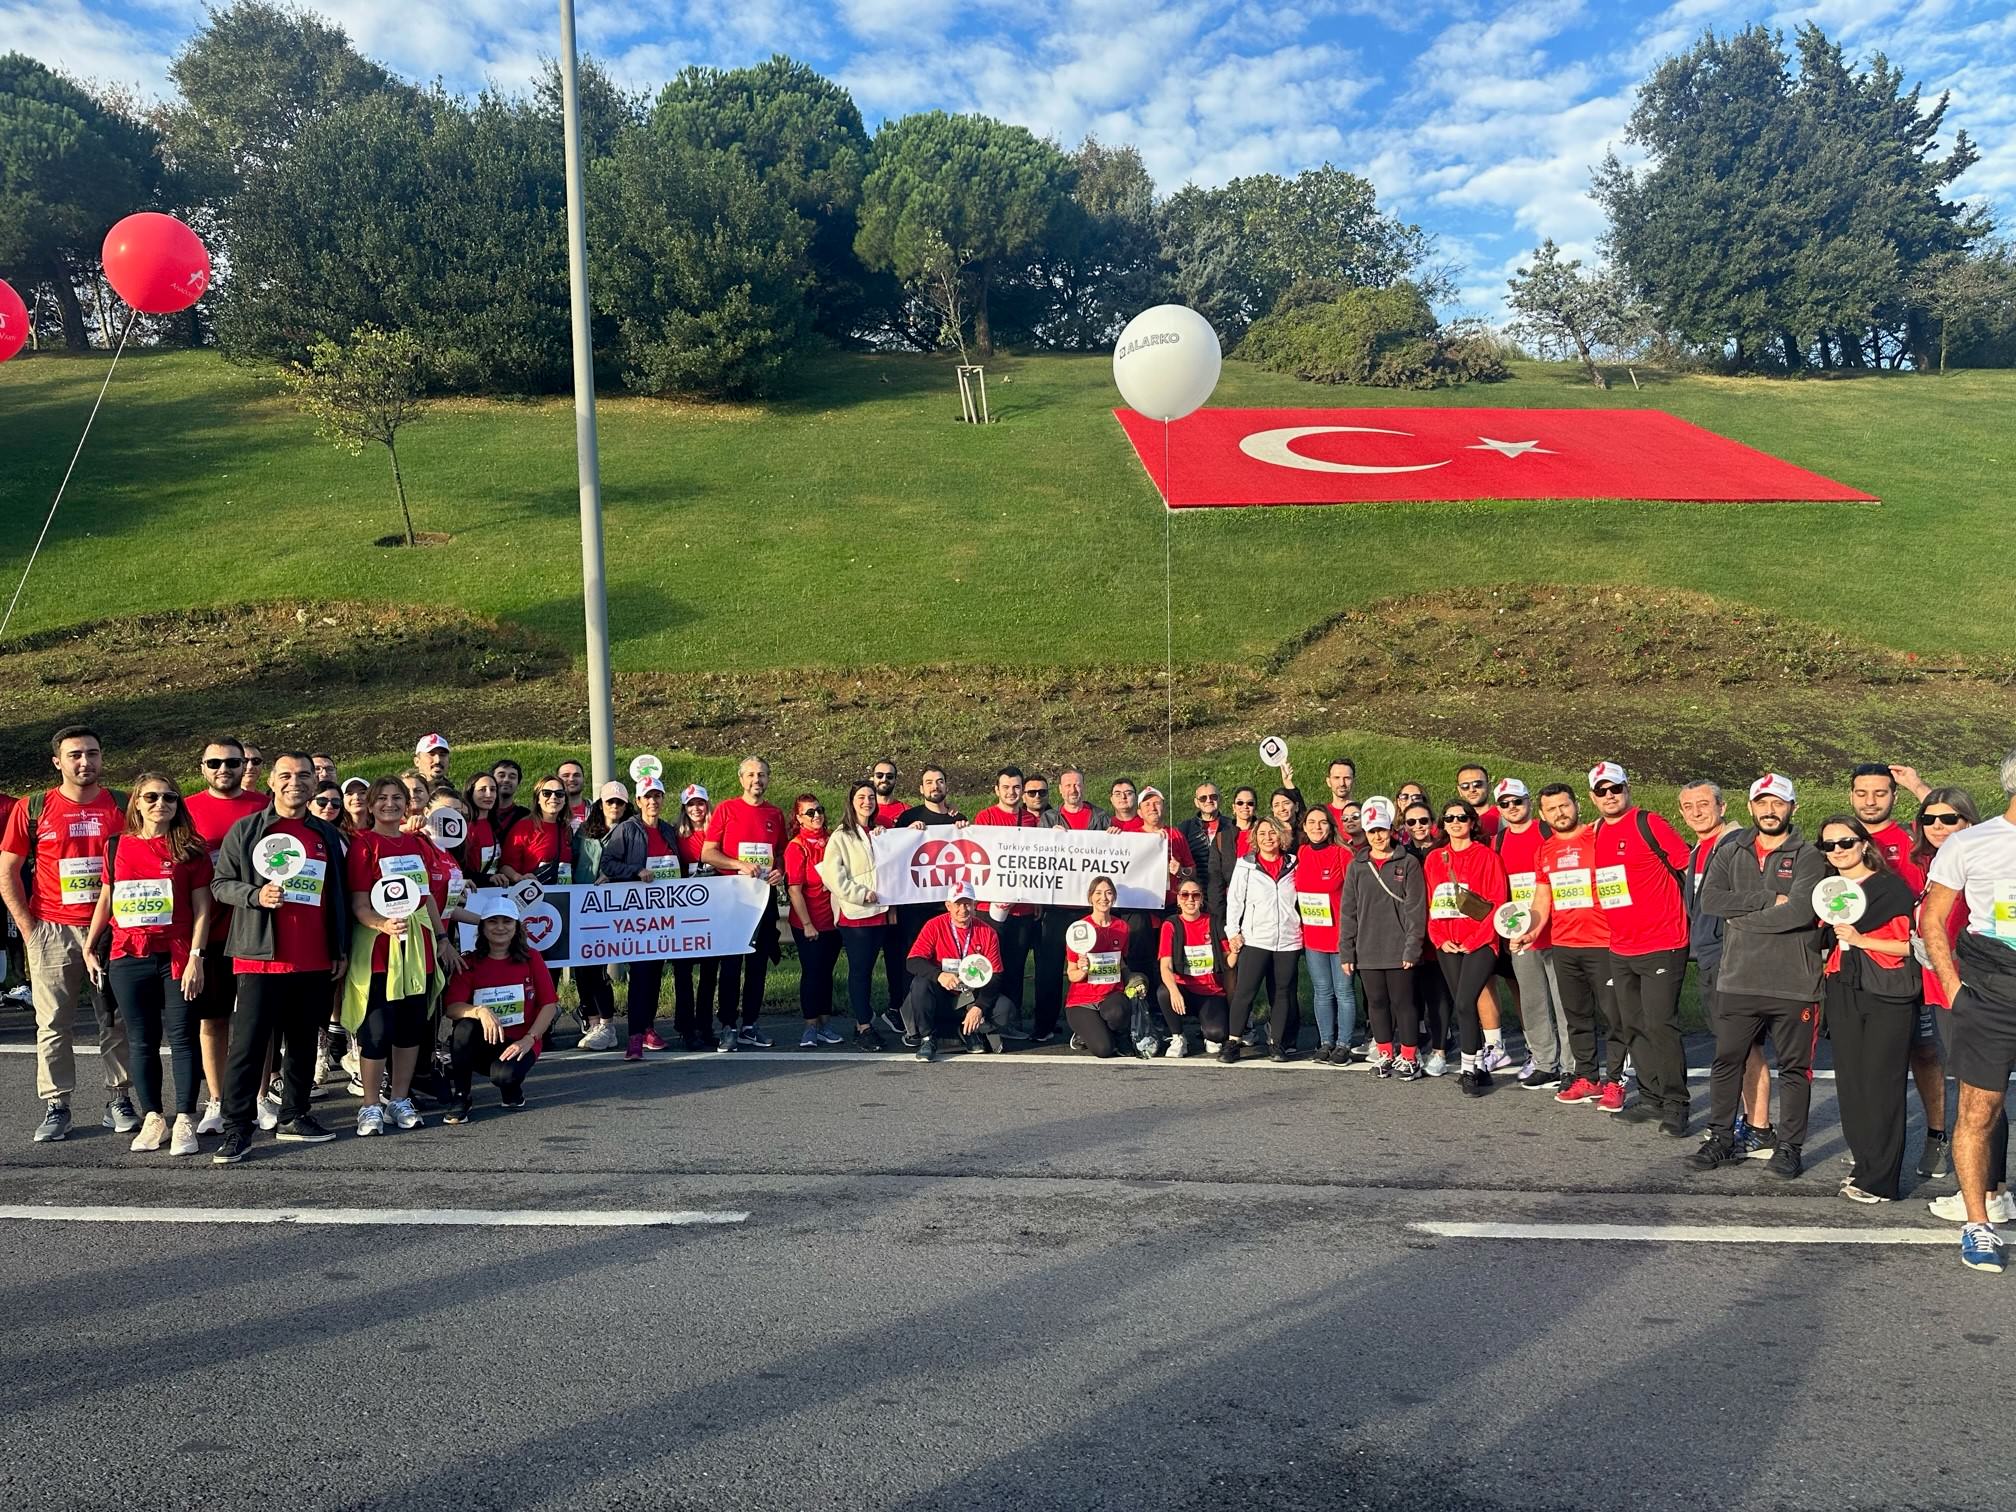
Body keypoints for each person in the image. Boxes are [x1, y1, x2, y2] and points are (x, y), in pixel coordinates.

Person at [208, 752, 348, 1163]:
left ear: (314, 782)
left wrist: (339, 948)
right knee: (248, 1047)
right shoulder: (247, 829)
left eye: (303, 775)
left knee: (302, 1043)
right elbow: (220, 884)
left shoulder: (326, 834)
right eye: (285, 775)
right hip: (259, 957)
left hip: (314, 958)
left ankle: (294, 1115)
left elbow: (337, 895)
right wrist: (255, 895)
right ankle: (237, 1128)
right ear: (271, 781)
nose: (295, 782)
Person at [0, 725, 135, 1143]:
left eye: (92, 753)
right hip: (53, 929)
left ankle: (119, 1099)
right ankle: (57, 1104)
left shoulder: (123, 804)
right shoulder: (33, 807)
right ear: (57, 761)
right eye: (75, 755)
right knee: (53, 1022)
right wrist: (29, 929)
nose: (85, 762)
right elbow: (7, 872)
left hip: (112, 929)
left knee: (114, 1019)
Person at [1689, 774, 1826, 1180]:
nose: (1770, 810)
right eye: (1762, 802)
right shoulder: (1730, 849)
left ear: (1793, 807)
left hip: (1793, 983)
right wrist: (1767, 900)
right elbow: (1711, 900)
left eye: (1778, 803)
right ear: (1750, 807)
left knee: (1795, 1069)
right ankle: (1721, 1138)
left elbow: (1800, 911)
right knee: (1727, 1061)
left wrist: (1742, 918)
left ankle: (1789, 1147)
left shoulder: (1808, 856)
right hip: (1738, 979)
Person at [1919, 747, 2016, 1273]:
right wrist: (1952, 986)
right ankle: (1978, 1224)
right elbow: (1932, 918)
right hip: (1991, 992)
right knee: (1980, 1111)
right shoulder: (1969, 842)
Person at [83, 774, 213, 1155]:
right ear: (137, 802)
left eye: (170, 797)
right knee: (142, 1040)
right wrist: (90, 944)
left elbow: (203, 909)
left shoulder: (190, 848)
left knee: (183, 1037)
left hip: (177, 956)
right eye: (152, 797)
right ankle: (153, 1116)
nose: (161, 804)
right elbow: (106, 898)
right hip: (128, 956)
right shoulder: (116, 846)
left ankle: (185, 1117)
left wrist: (197, 957)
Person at [1811, 814, 1923, 1203]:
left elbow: (1912, 945)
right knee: (1852, 1082)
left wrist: (1861, 940)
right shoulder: (1825, 892)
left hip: (1887, 993)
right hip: (1843, 987)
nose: (1838, 850)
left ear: (1863, 844)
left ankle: (1881, 1180)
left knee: (1882, 1084)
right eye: (1829, 845)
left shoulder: (1891, 888)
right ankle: (1865, 1162)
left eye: (1846, 842)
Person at [342, 776, 457, 1135]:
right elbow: (359, 904)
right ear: (371, 805)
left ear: (407, 805)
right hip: (379, 948)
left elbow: (426, 898)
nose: (389, 804)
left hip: (418, 946)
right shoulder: (363, 844)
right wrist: (382, 925)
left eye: (397, 798)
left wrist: (441, 937)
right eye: (382, 798)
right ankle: (370, 1105)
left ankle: (400, 1099)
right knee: (377, 1031)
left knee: (410, 1029)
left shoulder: (417, 844)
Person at [1589, 761, 1694, 1136]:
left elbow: (1689, 867)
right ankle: (1651, 1096)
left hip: (1664, 942)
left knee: (1660, 1023)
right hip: (1621, 946)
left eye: (1615, 788)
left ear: (1627, 789)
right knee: (1632, 1024)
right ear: (1593, 797)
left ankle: (1677, 1103)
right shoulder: (1597, 831)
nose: (1609, 796)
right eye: (1601, 791)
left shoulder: (1649, 823)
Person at [1512, 785, 1628, 1110]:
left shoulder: (1597, 837)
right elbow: (1542, 898)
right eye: (1552, 809)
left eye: (1564, 806)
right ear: (1542, 814)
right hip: (1564, 944)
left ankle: (1616, 1080)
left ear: (1576, 805)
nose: (1559, 813)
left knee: (1615, 1016)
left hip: (1603, 942)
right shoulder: (1544, 851)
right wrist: (1530, 931)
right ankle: (1587, 1077)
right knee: (1576, 1017)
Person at [1850, 760, 1943, 1157]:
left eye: (1880, 793)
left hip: (1909, 962)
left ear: (1893, 796)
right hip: (1857, 966)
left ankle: (1936, 1136)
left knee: (1924, 1052)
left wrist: (1917, 785)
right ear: (1851, 795)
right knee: (1867, 1060)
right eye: (1862, 793)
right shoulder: (1841, 839)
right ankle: (1871, 1144)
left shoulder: (1911, 837)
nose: (1870, 801)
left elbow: (1953, 823)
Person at [1677, 779, 1772, 1151]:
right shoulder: (1700, 850)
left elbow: (1755, 899)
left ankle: (1758, 1127)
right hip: (1711, 957)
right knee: (1733, 1046)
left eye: (1704, 804)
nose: (1697, 812)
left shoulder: (1738, 845)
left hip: (1733, 957)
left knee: (1743, 1047)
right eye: (1689, 806)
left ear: (1722, 806)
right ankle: (1748, 1122)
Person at [183, 736, 271, 1134]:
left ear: (244, 766)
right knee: (213, 1020)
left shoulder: (264, 806)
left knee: (258, 1022)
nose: (224, 770)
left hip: (257, 929)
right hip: (211, 930)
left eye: (233, 763)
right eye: (215, 763)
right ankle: (217, 1100)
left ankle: (259, 1097)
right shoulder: (186, 809)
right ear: (202, 768)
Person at [441, 893, 558, 1123]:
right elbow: (452, 1007)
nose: (500, 928)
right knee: (464, 1027)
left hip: (521, 1041)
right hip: (484, 1042)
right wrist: (479, 1011)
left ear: (516, 927)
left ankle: (512, 1089)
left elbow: (549, 1004)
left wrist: (530, 1039)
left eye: (507, 922)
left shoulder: (532, 958)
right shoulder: (470, 962)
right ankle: (462, 1097)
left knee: (504, 1077)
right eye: (493, 922)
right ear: (483, 927)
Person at [1338, 797, 1427, 1079]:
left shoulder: (1408, 863)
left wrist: (1412, 947)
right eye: (1372, 831)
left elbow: (1416, 908)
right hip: (1368, 948)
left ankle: (1410, 1056)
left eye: (1382, 830)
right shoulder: (1357, 866)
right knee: (1376, 1003)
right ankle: (1386, 1052)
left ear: (1391, 830)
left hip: (1399, 947)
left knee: (1404, 1003)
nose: (1377, 836)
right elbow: (1348, 910)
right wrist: (1346, 950)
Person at [1427, 798, 1511, 1095]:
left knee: (1465, 1002)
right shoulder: (1434, 859)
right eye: (1449, 818)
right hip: (1448, 943)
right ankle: (1479, 1069)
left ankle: (1468, 1070)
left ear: (1472, 822)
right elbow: (1432, 904)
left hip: (1481, 942)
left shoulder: (1487, 857)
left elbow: (1497, 903)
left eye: (1461, 817)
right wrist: (1440, 938)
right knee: (1464, 1005)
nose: (1455, 822)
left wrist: (1474, 941)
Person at [702, 756, 787, 1049]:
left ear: (768, 779)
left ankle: (750, 1024)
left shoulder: (775, 814)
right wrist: (738, 864)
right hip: (732, 900)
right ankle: (727, 1025)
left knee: (757, 965)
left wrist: (780, 870)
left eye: (761, 774)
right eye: (750, 775)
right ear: (741, 779)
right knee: (731, 965)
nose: (756, 780)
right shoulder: (727, 809)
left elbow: (780, 854)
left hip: (763, 900)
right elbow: (708, 853)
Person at [1494, 778, 1569, 1090]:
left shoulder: (1546, 831)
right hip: (1521, 935)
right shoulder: (1498, 841)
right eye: (1505, 803)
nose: (1512, 807)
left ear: (1528, 802)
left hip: (1558, 931)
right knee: (1532, 1003)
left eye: (1518, 801)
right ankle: (1544, 1063)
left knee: (1565, 1004)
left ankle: (1571, 1066)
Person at [599, 777, 680, 1060]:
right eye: (647, 797)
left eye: (657, 796)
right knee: (641, 974)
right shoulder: (627, 829)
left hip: (665, 915)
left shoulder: (668, 831)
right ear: (638, 801)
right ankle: (634, 1036)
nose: (653, 801)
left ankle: (648, 1028)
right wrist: (636, 871)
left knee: (655, 973)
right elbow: (608, 864)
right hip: (637, 916)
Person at [888, 765, 965, 1039]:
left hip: (949, 909)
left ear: (947, 786)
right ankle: (912, 1023)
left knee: (950, 962)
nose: (935, 786)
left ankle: (949, 1017)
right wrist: (906, 833)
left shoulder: (958, 820)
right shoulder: (909, 818)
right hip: (915, 908)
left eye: (940, 781)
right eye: (929, 782)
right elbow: (892, 856)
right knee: (913, 962)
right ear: (921, 788)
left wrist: (965, 830)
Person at [1035, 767, 1109, 1043]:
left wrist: (1114, 835)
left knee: (1090, 966)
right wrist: (1048, 839)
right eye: (1067, 785)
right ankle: (1044, 1025)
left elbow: (1114, 854)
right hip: (1057, 908)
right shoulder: (1048, 819)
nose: (1073, 790)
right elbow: (1037, 857)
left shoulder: (1100, 817)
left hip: (1089, 909)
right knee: (1050, 968)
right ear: (1060, 790)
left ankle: (1089, 1021)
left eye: (1077, 785)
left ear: (1084, 787)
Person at [903, 880, 1011, 1062]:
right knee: (920, 984)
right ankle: (927, 1038)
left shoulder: (988, 932)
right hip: (941, 992)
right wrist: (939, 975)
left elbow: (995, 975)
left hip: (971, 995)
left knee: (1004, 1009)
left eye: (967, 904)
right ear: (948, 906)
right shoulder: (934, 925)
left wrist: (979, 1007)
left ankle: (967, 1030)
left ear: (974, 904)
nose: (963, 909)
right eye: (958, 904)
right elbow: (913, 961)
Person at [1223, 818, 1303, 1062]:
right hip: (1256, 938)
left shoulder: (1294, 863)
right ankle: (1233, 1041)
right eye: (1262, 834)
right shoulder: (1245, 865)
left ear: (1281, 836)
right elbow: (1235, 901)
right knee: (1245, 992)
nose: (1268, 838)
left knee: (1282, 993)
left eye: (1272, 833)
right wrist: (1233, 932)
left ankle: (1276, 1043)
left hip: (1288, 940)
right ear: (1255, 839)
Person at [820, 780, 890, 1051]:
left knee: (869, 971)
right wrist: (861, 894)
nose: (867, 802)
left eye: (871, 797)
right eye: (861, 797)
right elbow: (833, 877)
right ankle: (863, 1026)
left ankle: (864, 1019)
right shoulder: (841, 836)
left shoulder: (880, 832)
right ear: (851, 801)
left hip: (880, 913)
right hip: (856, 914)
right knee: (859, 972)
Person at [972, 767, 1040, 1022]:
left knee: (1016, 964)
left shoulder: (1033, 820)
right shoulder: (985, 817)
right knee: (987, 964)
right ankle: (980, 1014)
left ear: (1022, 791)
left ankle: (1010, 1019)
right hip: (988, 907)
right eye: (1006, 787)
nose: (1011, 792)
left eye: (1016, 787)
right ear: (997, 790)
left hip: (1022, 907)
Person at [569, 782, 631, 1051]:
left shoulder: (631, 831)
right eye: (610, 801)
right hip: (582, 907)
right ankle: (593, 1022)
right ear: (600, 804)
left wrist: (615, 875)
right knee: (581, 968)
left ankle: (607, 1024)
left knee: (597, 968)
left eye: (620, 802)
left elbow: (636, 865)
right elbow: (572, 861)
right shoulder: (584, 833)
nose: (614, 806)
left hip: (614, 910)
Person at [784, 792, 845, 1050]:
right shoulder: (797, 847)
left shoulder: (832, 840)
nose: (817, 815)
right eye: (810, 812)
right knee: (812, 973)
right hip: (808, 921)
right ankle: (810, 1026)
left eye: (819, 810)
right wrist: (808, 924)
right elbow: (794, 890)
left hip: (833, 919)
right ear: (799, 818)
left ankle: (825, 1024)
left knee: (826, 973)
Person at [1295, 805, 1355, 1063]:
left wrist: (1351, 935)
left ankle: (1343, 1044)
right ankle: (1326, 1042)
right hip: (1313, 936)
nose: (1317, 827)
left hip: (1340, 936)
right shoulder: (1302, 852)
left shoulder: (1342, 854)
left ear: (1331, 827)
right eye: (1311, 822)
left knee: (1343, 992)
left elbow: (1354, 897)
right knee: (1322, 991)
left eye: (1322, 822)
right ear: (1304, 827)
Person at [1125, 787, 1194, 984]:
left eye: (1156, 803)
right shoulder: (1130, 837)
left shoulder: (1176, 835)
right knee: (1143, 956)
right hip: (1142, 908)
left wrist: (1180, 871)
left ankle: (1171, 995)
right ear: (1139, 812)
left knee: (1170, 955)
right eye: (1147, 804)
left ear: (1164, 807)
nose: (1152, 807)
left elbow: (1192, 870)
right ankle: (1145, 996)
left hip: (1170, 906)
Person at [1061, 875, 1133, 1059]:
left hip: (1111, 995)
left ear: (1114, 897)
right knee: (1104, 1050)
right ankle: (1084, 1033)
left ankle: (1120, 1035)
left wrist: (1132, 979)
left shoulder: (1122, 927)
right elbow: (1072, 974)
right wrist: (1083, 969)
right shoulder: (1079, 929)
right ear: (1091, 897)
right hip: (1082, 1000)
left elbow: (1121, 961)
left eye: (1108, 893)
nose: (1104, 898)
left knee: (1117, 1011)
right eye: (1098, 893)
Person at [672, 785, 722, 1050]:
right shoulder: (676, 834)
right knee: (683, 973)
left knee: (709, 973)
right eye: (690, 804)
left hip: (713, 911)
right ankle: (686, 1027)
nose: (696, 809)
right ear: (684, 808)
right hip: (684, 912)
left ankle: (705, 1025)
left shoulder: (717, 832)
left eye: (700, 803)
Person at [1158, 879, 1227, 1056]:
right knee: (1164, 992)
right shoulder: (1170, 925)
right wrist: (1174, 991)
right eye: (1185, 895)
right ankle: (1178, 1037)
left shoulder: (1213, 922)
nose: (1190, 899)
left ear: (1201, 899)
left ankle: (1206, 1032)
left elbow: (1229, 961)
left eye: (1195, 895)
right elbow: (1165, 966)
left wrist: (1235, 949)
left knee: (1217, 1034)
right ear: (1178, 900)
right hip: (1184, 990)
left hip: (1210, 991)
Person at [496, 775, 571, 883]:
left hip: (564, 891)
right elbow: (504, 866)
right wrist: (519, 878)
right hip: (533, 890)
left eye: (559, 794)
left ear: (565, 800)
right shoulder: (523, 827)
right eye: (547, 793)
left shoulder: (566, 828)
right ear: (538, 799)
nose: (553, 797)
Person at [1180, 783, 1225, 911]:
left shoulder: (1231, 826)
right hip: (1195, 894)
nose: (1208, 800)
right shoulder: (1186, 828)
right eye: (1203, 798)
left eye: (1213, 796)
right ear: (1196, 802)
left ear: (1220, 799)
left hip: (1224, 894)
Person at [465, 772, 502, 880]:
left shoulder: (495, 824)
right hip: (474, 887)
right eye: (482, 790)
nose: (489, 794)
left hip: (494, 886)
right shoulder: (466, 827)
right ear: (470, 793)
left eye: (493, 790)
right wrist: (486, 878)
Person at [869, 760, 908, 829]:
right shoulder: (864, 809)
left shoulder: (907, 811)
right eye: (879, 775)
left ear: (895, 780)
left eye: (889, 776)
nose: (884, 779)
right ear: (872, 778)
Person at [1321, 758, 1357, 828]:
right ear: (1328, 781)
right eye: (1336, 778)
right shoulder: (1322, 814)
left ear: (1354, 781)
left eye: (1347, 778)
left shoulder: (1363, 813)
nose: (1342, 783)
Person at [557, 759, 589, 829]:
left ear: (583, 779)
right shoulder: (547, 813)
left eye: (576, 775)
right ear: (557, 780)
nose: (571, 779)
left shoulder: (597, 811)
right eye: (566, 775)